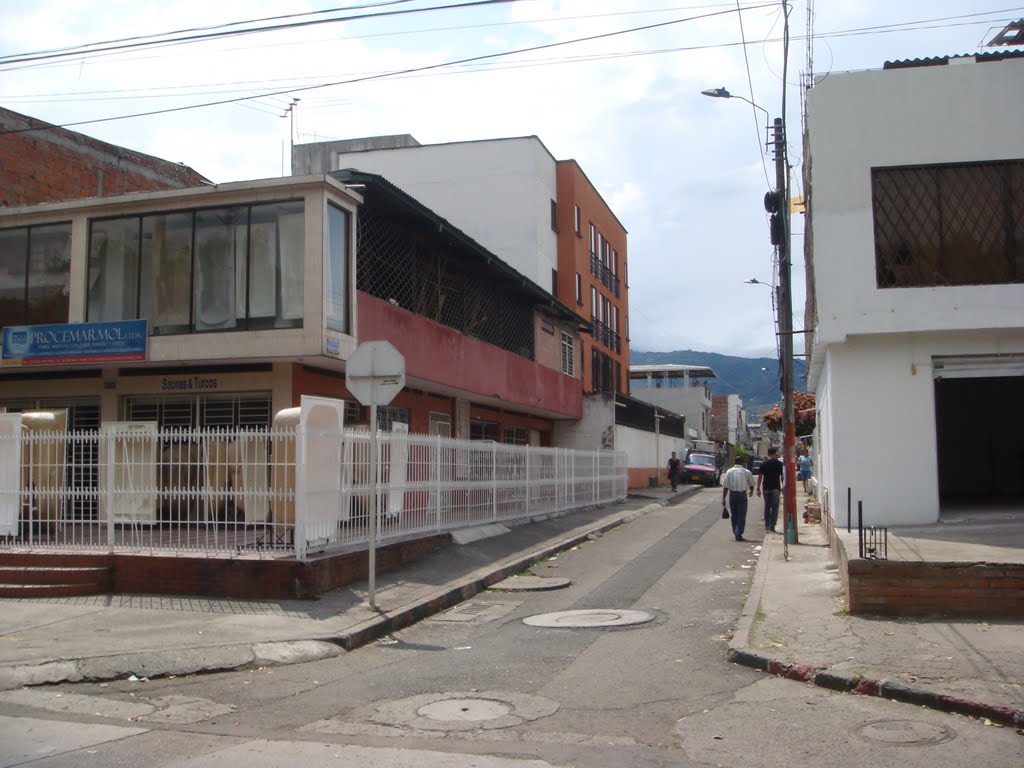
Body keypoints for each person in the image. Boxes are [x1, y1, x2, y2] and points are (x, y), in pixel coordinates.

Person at [721, 456, 754, 541]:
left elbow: (725, 486)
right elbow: (752, 484)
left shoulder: (729, 472)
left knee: (734, 515)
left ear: (734, 462)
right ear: (743, 463)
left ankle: (736, 531)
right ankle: (738, 533)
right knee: (741, 515)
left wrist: (724, 498)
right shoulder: (747, 472)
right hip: (742, 495)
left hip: (733, 495)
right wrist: (751, 491)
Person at [756, 446, 785, 533]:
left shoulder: (763, 464)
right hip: (776, 488)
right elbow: (782, 477)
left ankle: (767, 524)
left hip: (766, 488)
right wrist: (783, 487)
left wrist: (758, 488)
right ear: (775, 454)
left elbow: (760, 477)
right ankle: (772, 525)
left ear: (768, 455)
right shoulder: (779, 464)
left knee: (767, 506)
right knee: (775, 507)